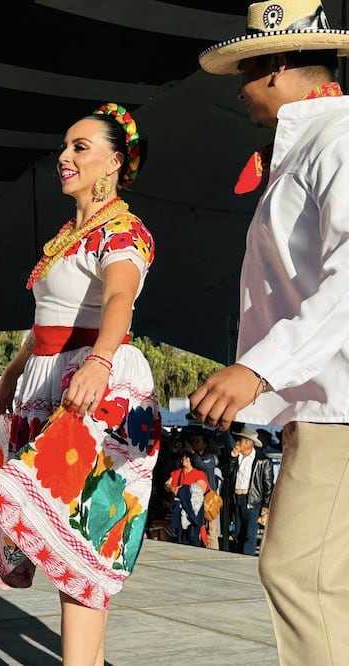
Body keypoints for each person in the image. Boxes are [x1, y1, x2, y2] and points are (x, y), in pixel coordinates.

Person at [0, 103, 158, 666]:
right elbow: (52, 314)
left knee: (81, 535)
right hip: (48, 380)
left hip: (94, 383)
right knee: (61, 539)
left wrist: (99, 362)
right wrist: (15, 366)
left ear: (115, 162)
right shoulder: (68, 234)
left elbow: (119, 298)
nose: (65, 158)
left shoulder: (123, 229)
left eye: (80, 147)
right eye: (64, 147)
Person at [189, 2, 349, 662]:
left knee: (297, 577)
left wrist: (259, 366)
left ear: (278, 67)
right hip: (321, 400)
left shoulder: (337, 140)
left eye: (247, 71)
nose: (240, 87)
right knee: (321, 584)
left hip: (338, 403)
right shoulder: (313, 145)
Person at [227, 427, 274, 556]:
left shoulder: (262, 460)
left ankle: (246, 559)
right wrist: (231, 459)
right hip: (237, 498)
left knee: (250, 534)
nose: (237, 443)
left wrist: (265, 505)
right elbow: (227, 474)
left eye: (240, 440)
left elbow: (268, 485)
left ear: (248, 442)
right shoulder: (235, 457)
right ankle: (238, 557)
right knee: (237, 533)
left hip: (253, 500)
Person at [164, 452, 209, 547]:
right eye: (184, 458)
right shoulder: (177, 473)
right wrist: (173, 488)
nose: (185, 460)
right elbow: (167, 484)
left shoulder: (198, 474)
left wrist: (183, 490)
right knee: (179, 536)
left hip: (193, 508)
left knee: (192, 535)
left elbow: (202, 488)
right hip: (178, 508)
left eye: (188, 458)